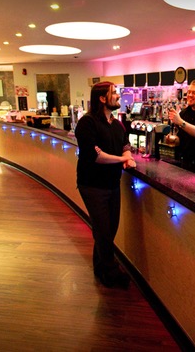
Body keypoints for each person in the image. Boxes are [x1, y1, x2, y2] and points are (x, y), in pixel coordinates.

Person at [74, 81, 136, 288]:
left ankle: (100, 267)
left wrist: (127, 156)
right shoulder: (87, 123)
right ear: (102, 98)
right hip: (92, 184)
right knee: (103, 229)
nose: (119, 96)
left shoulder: (117, 124)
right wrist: (122, 160)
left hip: (112, 184)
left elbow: (125, 144)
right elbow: (95, 156)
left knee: (109, 229)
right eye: (114, 93)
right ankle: (111, 272)